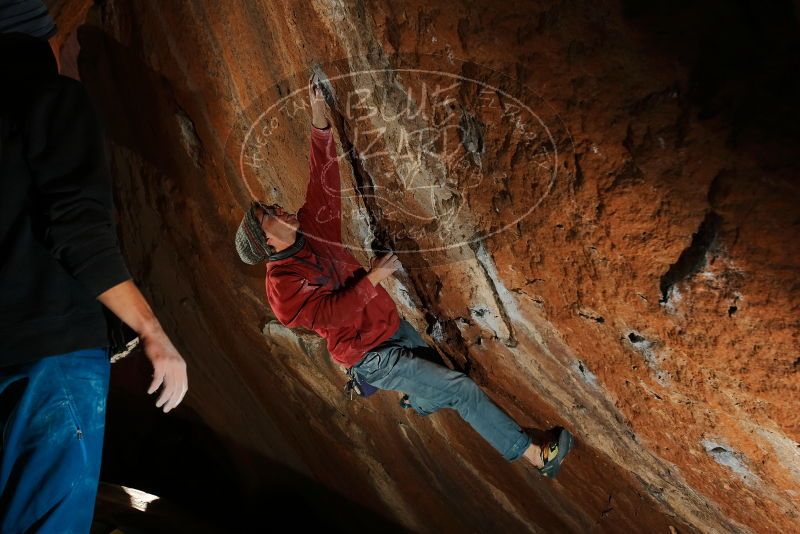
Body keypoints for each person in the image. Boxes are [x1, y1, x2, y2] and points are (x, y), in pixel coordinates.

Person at [236, 75, 573, 477]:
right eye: (269, 215)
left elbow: (323, 176)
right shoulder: (282, 287)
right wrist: (374, 276)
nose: (277, 208)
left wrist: (319, 115)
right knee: (461, 390)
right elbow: (330, 315)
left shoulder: (312, 228)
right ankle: (536, 456)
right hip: (370, 355)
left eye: (270, 206)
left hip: (387, 324)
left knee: (444, 377)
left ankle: (417, 401)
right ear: (268, 242)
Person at [0, 8, 188, 532]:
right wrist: (152, 332)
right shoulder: (51, 98)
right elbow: (78, 231)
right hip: (52, 355)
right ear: (45, 41)